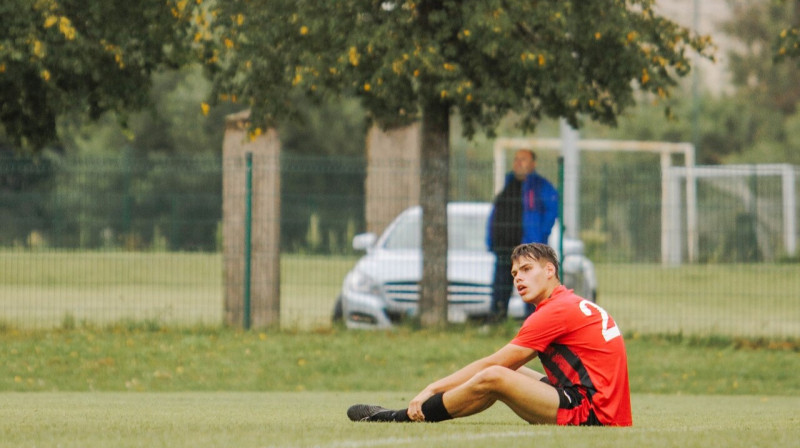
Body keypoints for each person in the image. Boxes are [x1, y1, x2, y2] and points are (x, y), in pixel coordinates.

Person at [347, 243, 632, 427]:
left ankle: (402, 416)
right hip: (601, 407)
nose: (518, 277)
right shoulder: (569, 303)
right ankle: (413, 412)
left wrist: (432, 388)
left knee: (494, 375)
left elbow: (493, 365)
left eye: (526, 269)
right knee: (509, 372)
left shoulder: (552, 312)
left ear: (550, 270)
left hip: (594, 415)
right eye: (514, 273)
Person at [487, 149, 558, 320]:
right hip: (504, 246)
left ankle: (533, 320)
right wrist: (491, 239)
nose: (519, 163)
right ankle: (497, 317)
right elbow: (495, 213)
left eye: (523, 160)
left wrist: (539, 237)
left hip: (527, 247)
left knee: (531, 284)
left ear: (533, 164)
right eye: (516, 159)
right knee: (501, 284)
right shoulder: (507, 184)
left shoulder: (541, 187)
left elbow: (551, 212)